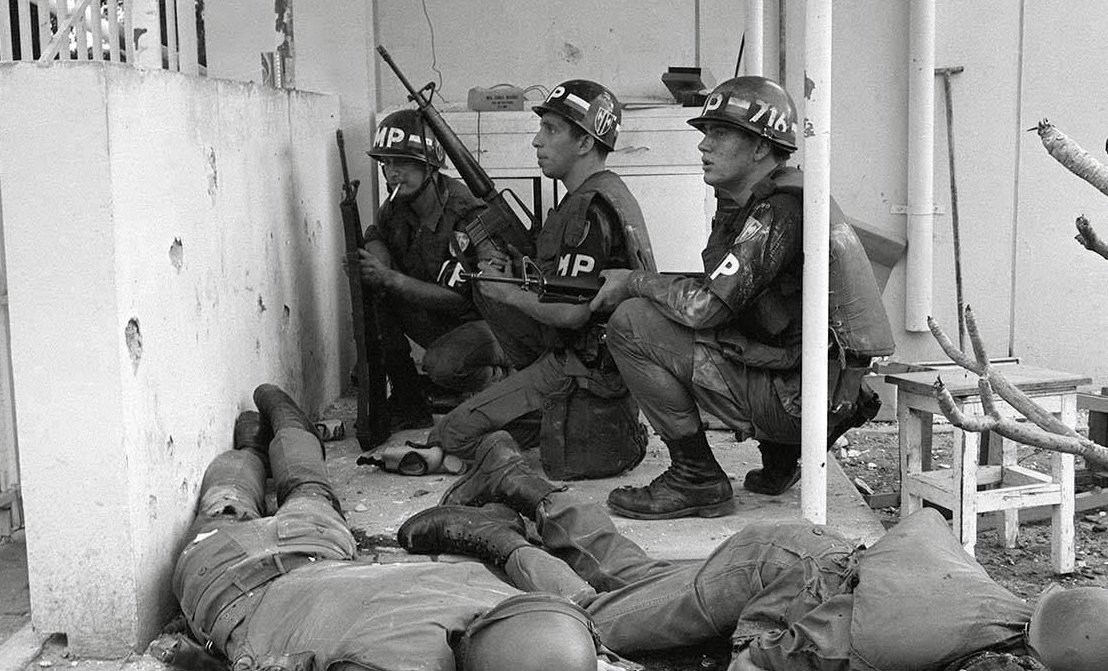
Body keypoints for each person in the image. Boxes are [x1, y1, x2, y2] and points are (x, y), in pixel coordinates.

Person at [398, 432, 1108, 671]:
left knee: (638, 585)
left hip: (834, 572)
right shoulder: (867, 647)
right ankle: (501, 532)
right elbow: (749, 668)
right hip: (773, 570)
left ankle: (527, 488)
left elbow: (1095, 658)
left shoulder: (1024, 645)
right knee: (600, 622)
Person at [168, 385, 699, 671]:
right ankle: (254, 448)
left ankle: (268, 434)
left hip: (309, 551)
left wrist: (581, 662)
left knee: (306, 487)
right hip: (220, 576)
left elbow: (536, 626)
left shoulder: (480, 591)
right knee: (231, 503)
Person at [587, 76, 891, 520]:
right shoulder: (778, 198)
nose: (703, 146)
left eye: (720, 133)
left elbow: (703, 306)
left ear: (761, 148)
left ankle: (695, 476)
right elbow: (746, 296)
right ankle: (781, 460)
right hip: (821, 391)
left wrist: (633, 283)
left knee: (632, 322)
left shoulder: (776, 212)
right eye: (706, 133)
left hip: (800, 403)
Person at [428, 80, 656, 472]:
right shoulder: (600, 192)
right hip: (585, 356)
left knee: (450, 435)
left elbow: (573, 314)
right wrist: (510, 276)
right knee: (487, 289)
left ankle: (537, 412)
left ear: (585, 143)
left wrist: (510, 293)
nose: (537, 141)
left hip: (583, 367)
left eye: (551, 130)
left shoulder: (589, 208)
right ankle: (524, 404)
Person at [357, 110, 509, 425]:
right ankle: (406, 399)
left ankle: (497, 382)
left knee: (442, 365)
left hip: (490, 325)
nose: (392, 173)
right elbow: (376, 233)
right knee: (373, 297)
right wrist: (377, 255)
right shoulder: (398, 206)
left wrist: (391, 278)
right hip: (446, 323)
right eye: (386, 164)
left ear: (430, 165)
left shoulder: (466, 214)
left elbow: (464, 298)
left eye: (402, 163)